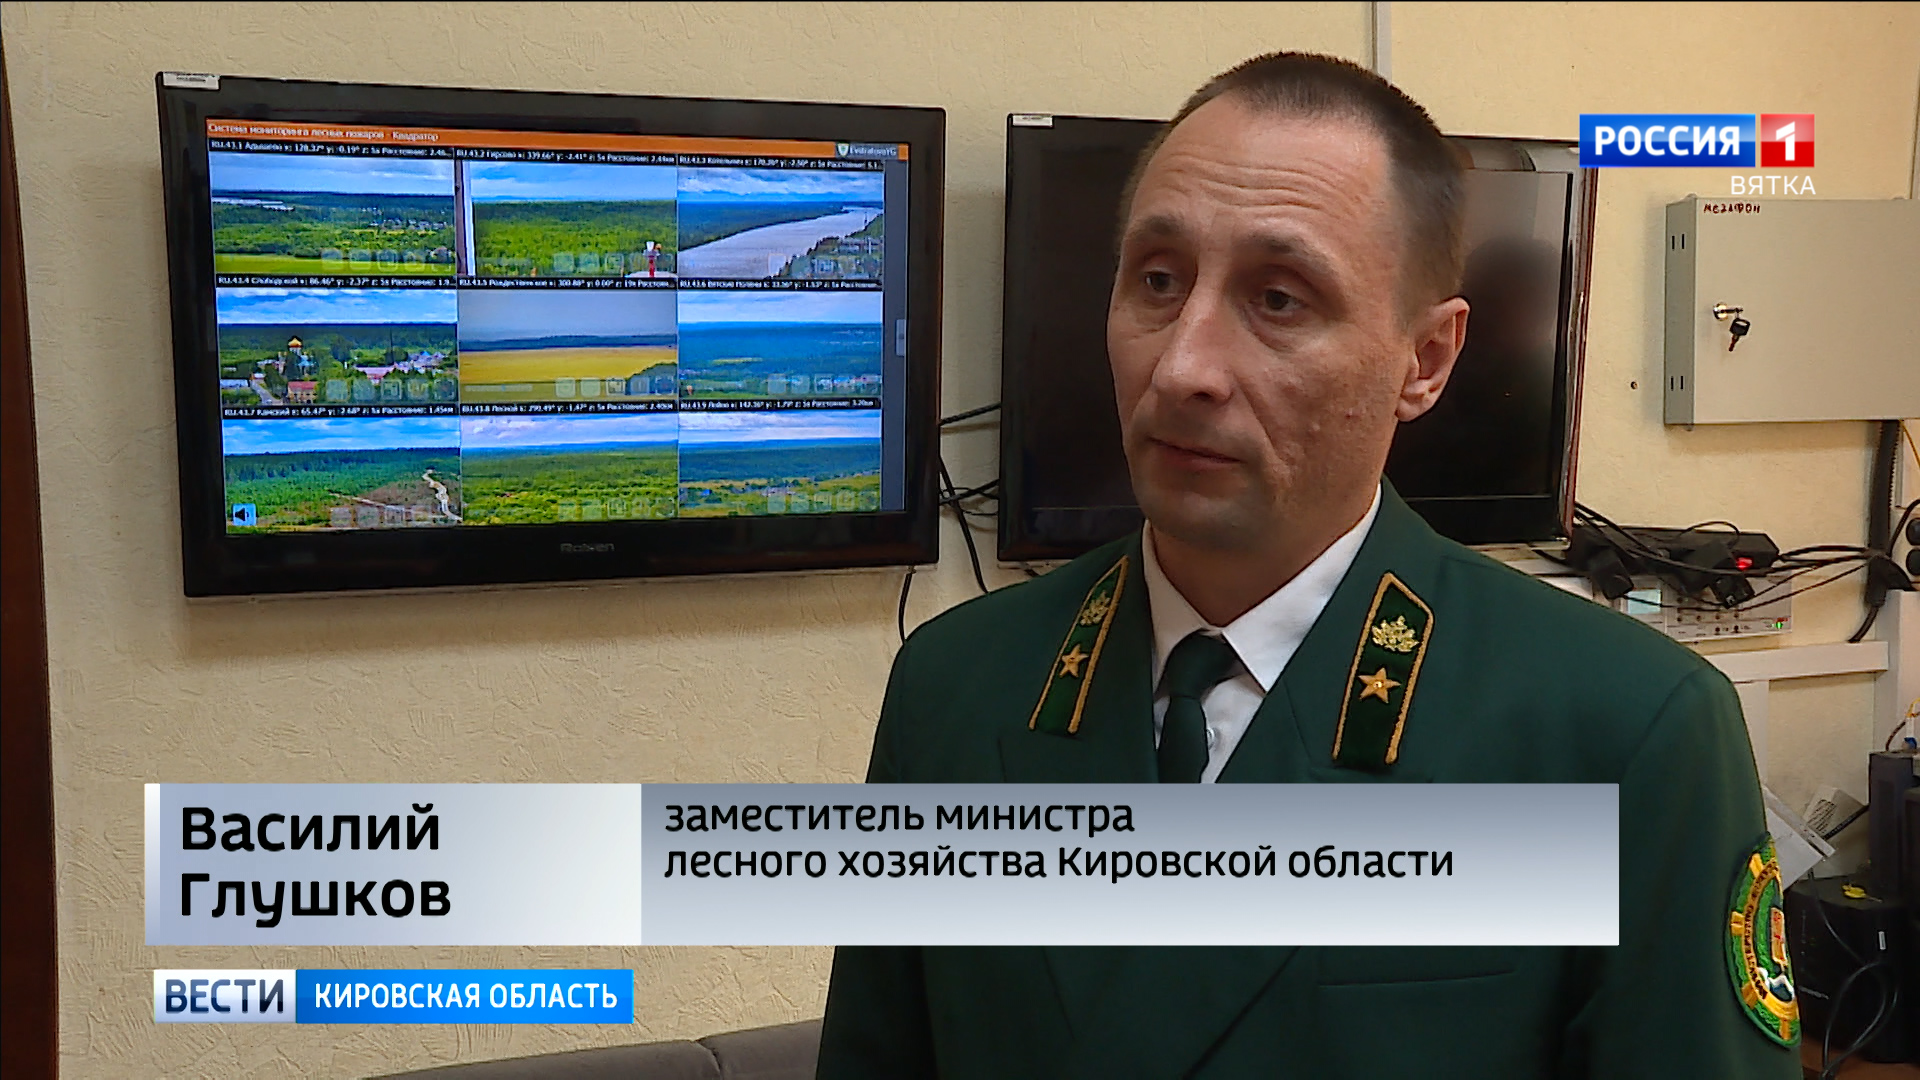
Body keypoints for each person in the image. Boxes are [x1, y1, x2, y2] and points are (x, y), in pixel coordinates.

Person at [816, 52, 1800, 1079]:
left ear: (1426, 359)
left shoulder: (1622, 732)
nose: (1182, 367)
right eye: (1158, 281)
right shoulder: (957, 685)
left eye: (1279, 299)